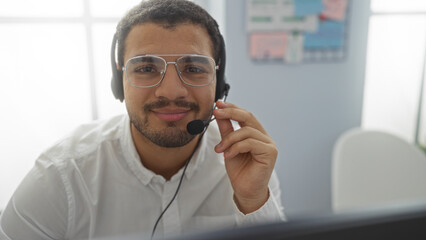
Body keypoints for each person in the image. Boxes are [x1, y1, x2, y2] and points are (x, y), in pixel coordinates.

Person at [0, 0, 285, 239]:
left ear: (218, 79)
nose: (171, 91)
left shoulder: (246, 162)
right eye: (146, 67)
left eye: (194, 67)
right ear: (119, 79)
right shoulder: (61, 177)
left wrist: (253, 202)